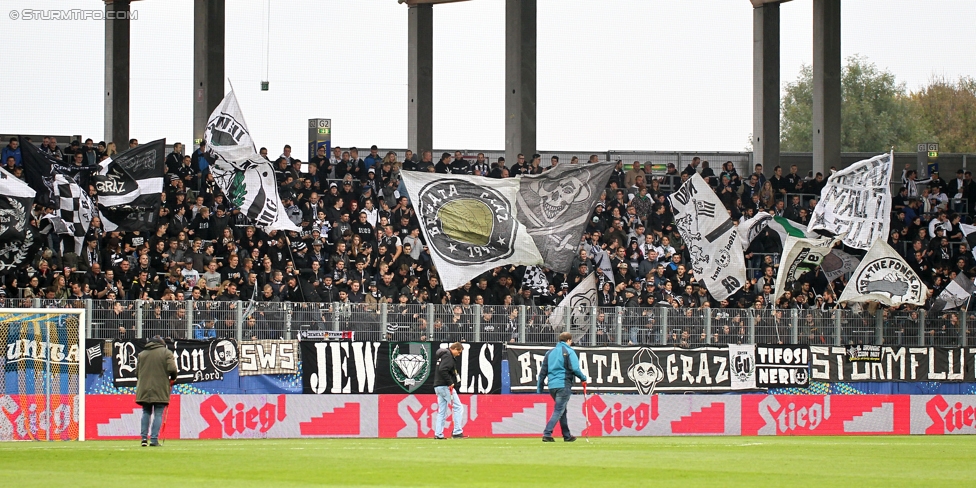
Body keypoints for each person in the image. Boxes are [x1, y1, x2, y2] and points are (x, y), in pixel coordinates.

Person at [537, 331, 588, 442]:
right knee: (559, 410)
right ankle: (547, 433)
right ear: (569, 340)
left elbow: (542, 372)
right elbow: (575, 368)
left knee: (562, 410)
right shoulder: (569, 351)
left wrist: (539, 388)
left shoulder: (549, 353)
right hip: (563, 384)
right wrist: (583, 378)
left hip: (552, 386)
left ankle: (567, 435)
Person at [135, 336, 177, 447]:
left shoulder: (142, 354)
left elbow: (137, 373)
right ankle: (154, 439)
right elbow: (172, 369)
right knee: (158, 413)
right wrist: (173, 378)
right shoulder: (166, 353)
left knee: (146, 412)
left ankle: (144, 438)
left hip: (144, 388)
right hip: (160, 387)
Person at [433, 342, 467, 439]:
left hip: (438, 386)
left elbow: (441, 369)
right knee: (458, 407)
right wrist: (450, 382)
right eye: (459, 352)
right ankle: (457, 432)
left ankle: (438, 434)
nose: (458, 354)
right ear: (455, 348)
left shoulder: (442, 356)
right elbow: (443, 369)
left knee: (442, 411)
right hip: (445, 386)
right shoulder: (448, 356)